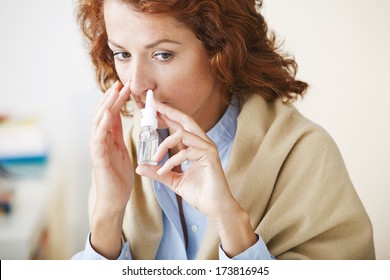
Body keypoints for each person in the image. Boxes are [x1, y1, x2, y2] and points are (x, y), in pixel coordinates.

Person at [72, 0, 375, 260]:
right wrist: (108, 211)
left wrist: (230, 220)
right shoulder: (121, 147)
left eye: (162, 54)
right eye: (122, 54)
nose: (136, 84)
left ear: (220, 49)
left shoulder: (303, 154)